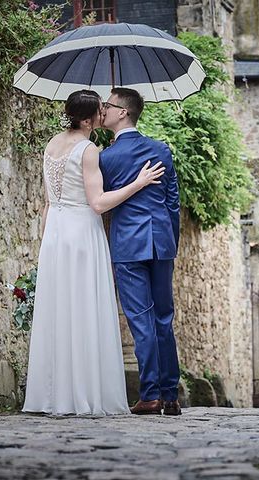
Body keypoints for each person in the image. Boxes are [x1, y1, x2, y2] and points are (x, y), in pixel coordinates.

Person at [22, 90, 165, 416]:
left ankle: (54, 395)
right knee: (83, 310)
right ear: (87, 119)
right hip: (82, 233)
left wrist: (45, 244)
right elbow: (98, 203)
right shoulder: (88, 150)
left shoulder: (52, 144)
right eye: (101, 110)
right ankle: (84, 394)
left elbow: (47, 203)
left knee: (60, 313)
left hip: (56, 233)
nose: (105, 113)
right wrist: (138, 183)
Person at [100, 87, 182, 416]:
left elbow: (104, 203)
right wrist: (169, 239)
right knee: (164, 318)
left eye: (108, 105)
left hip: (128, 245)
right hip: (161, 242)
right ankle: (171, 395)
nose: (103, 109)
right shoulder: (161, 150)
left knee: (141, 320)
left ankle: (150, 396)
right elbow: (173, 201)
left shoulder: (106, 157)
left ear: (123, 112)